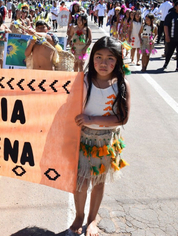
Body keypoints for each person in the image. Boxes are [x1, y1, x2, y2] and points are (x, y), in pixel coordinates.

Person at [71, 36, 131, 236]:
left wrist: (92, 118)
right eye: (98, 57)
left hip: (105, 141)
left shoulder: (121, 85)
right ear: (92, 57)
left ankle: (91, 221)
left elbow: (122, 118)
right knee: (80, 181)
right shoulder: (82, 80)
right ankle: (79, 217)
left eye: (110, 58)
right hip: (81, 139)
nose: (103, 63)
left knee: (98, 182)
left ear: (118, 61)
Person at [162, 1, 178, 71]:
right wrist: (167, 36)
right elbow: (166, 26)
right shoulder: (170, 15)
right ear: (175, 6)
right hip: (172, 37)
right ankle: (166, 63)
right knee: (170, 52)